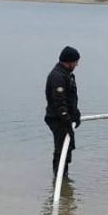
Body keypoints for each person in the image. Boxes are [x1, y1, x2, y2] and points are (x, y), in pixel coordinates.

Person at [45, 46, 81, 176]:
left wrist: (76, 114)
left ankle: (64, 179)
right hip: (58, 119)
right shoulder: (58, 77)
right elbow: (60, 103)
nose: (77, 65)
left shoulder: (67, 75)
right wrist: (66, 119)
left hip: (65, 119)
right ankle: (59, 177)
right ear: (70, 61)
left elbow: (70, 98)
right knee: (61, 150)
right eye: (76, 62)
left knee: (67, 149)